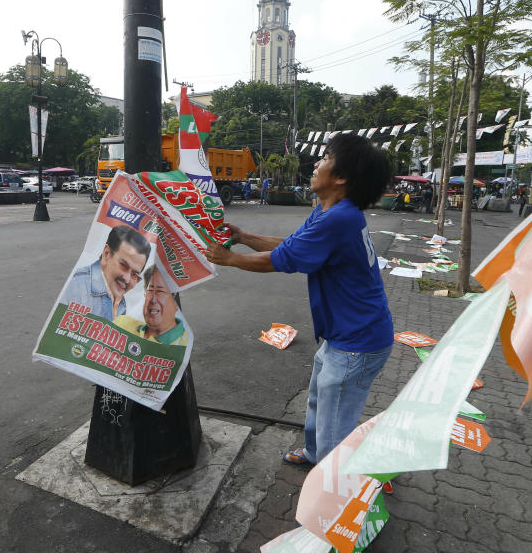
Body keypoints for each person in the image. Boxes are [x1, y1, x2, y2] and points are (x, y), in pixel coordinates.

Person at [205, 133, 394, 469]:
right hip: (345, 335)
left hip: (358, 342)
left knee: (334, 425)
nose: (316, 164)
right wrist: (243, 236)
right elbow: (291, 245)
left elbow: (278, 261)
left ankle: (330, 491)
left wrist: (229, 258)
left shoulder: (339, 218)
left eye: (325, 158)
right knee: (320, 401)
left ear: (341, 177)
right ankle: (313, 454)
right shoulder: (330, 211)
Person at [61, 225, 151, 321]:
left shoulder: (119, 300)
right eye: (123, 265)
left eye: (134, 274)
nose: (127, 279)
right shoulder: (77, 287)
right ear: (106, 254)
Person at [115, 265, 190, 346]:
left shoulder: (182, 341)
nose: (153, 300)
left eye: (160, 291)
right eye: (150, 291)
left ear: (174, 302)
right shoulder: (123, 322)